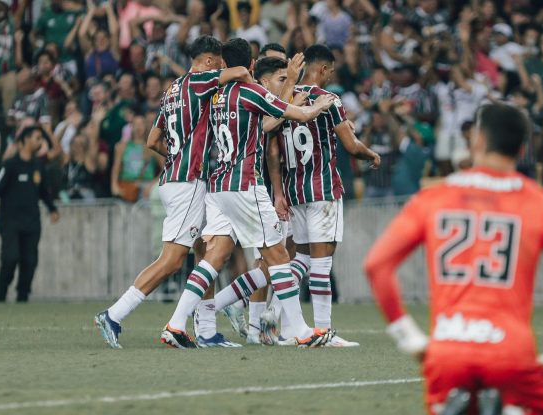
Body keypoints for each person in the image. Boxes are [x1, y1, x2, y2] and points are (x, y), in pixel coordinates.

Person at [363, 103, 543, 415]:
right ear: (522, 150)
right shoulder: (541, 203)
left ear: (476, 140)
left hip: (448, 350)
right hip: (510, 352)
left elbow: (377, 265)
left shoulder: (434, 197)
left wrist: (412, 340)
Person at [159, 38, 337, 349]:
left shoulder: (213, 95)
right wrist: (319, 106)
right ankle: (302, 330)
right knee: (279, 255)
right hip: (245, 185)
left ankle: (175, 323)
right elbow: (293, 114)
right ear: (250, 65)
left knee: (212, 258)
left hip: (217, 187)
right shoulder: (251, 92)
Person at [93, 36, 252, 349]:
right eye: (218, 60)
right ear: (208, 60)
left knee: (203, 253)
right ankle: (113, 314)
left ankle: (206, 331)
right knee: (172, 260)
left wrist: (176, 158)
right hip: (189, 184)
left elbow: (153, 140)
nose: (220, 65)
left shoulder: (171, 90)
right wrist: (245, 72)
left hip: (173, 178)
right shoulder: (200, 80)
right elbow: (238, 73)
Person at [265, 44, 380, 347]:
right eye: (331, 71)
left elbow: (272, 148)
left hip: (295, 190)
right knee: (322, 263)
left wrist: (279, 191)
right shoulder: (328, 100)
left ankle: (279, 316)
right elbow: (351, 146)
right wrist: (371, 155)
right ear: (325, 69)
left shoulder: (286, 99)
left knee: (300, 257)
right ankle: (323, 331)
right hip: (323, 188)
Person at [0, 126, 60, 303]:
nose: (40, 141)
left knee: (30, 261)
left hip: (32, 222)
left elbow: (43, 192)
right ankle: (1, 294)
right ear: (25, 140)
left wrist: (52, 209)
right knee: (10, 258)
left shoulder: (38, 166)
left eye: (41, 138)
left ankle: (22, 297)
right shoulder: (10, 165)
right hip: (10, 222)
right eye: (36, 137)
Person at [110, 113, 160, 202]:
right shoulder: (122, 147)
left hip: (146, 187)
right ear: (131, 127)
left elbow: (165, 168)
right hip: (127, 186)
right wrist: (114, 185)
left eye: (141, 124)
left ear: (146, 126)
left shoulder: (152, 146)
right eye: (135, 124)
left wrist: (153, 184)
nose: (138, 127)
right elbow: (116, 167)